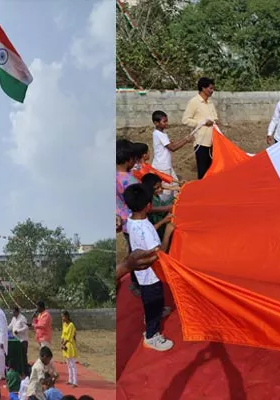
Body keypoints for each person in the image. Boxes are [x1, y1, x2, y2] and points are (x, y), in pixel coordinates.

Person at [123, 183, 176, 351]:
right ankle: (151, 335)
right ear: (148, 206)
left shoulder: (131, 221)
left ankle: (153, 314)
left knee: (151, 300)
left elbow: (148, 232)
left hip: (142, 274)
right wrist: (168, 231)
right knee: (154, 300)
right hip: (151, 275)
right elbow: (160, 252)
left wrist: (162, 221)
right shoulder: (144, 227)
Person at [116, 138, 143, 296]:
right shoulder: (129, 180)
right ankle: (139, 283)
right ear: (129, 160)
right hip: (135, 221)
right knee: (138, 253)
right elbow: (141, 202)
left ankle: (134, 282)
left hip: (125, 223)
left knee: (131, 249)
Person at [151, 110, 193, 200]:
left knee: (175, 185)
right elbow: (173, 148)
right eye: (164, 121)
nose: (166, 123)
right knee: (166, 190)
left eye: (167, 121)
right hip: (162, 167)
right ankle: (164, 207)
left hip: (166, 165)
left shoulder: (161, 133)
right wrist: (186, 140)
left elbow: (171, 144)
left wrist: (184, 139)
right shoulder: (159, 134)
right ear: (156, 123)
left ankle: (175, 204)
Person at [182, 77, 219, 179]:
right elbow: (185, 120)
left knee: (213, 169)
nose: (212, 91)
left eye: (213, 89)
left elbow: (215, 117)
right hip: (201, 142)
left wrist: (213, 122)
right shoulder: (194, 102)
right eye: (210, 88)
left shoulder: (210, 103)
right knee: (203, 171)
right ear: (203, 88)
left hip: (213, 141)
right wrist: (201, 123)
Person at [60, 311, 78, 387]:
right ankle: (70, 380)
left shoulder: (71, 325)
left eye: (63, 317)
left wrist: (63, 344)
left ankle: (75, 382)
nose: (62, 319)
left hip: (70, 345)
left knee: (72, 364)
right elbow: (63, 334)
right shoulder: (64, 324)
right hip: (65, 345)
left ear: (67, 316)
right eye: (62, 317)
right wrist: (61, 341)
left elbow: (69, 337)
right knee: (68, 364)